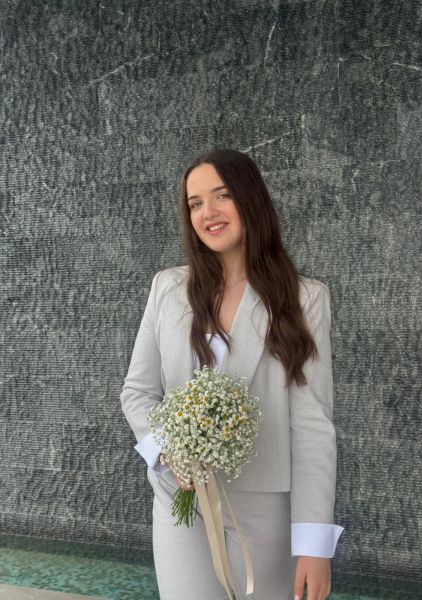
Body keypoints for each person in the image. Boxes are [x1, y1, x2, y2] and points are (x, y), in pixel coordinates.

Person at [120, 148, 344, 600]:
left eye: (222, 195)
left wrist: (314, 544)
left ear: (250, 199)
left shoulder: (304, 300)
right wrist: (169, 452)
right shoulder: (168, 288)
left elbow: (312, 427)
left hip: (264, 508)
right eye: (195, 203)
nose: (208, 212)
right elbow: (137, 392)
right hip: (179, 499)